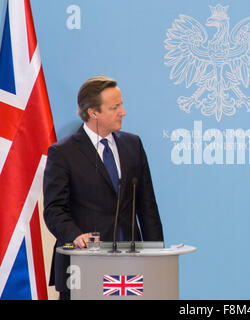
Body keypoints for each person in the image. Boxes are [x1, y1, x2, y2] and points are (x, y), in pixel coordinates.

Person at [43, 75, 164, 299]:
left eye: (121, 104)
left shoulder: (133, 145)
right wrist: (76, 236)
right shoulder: (63, 153)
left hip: (130, 269)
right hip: (84, 266)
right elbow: (54, 210)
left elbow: (147, 207)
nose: (123, 112)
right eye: (115, 107)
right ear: (93, 112)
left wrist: (157, 257)